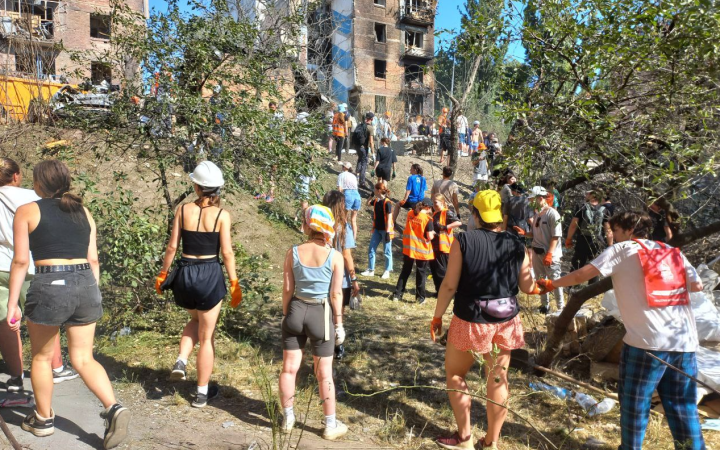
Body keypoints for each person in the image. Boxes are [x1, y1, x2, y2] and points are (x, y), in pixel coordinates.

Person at [537, 211, 706, 450]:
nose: (612, 236)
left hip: (646, 344)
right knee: (683, 406)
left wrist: (552, 283)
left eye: (614, 231)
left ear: (628, 230)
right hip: (684, 342)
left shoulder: (623, 250)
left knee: (635, 403)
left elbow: (582, 274)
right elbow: (696, 285)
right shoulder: (671, 251)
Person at [6, 160, 129, 448]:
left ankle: (43, 419)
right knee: (84, 358)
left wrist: (14, 304)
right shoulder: (83, 211)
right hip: (86, 282)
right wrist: (90, 290)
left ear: (38, 184)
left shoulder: (27, 211)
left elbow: (22, 260)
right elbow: (94, 259)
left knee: (41, 357)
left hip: (50, 283)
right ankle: (114, 407)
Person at [431, 190, 541, 450]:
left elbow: (449, 285)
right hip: (506, 321)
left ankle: (465, 438)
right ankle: (492, 442)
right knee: (498, 379)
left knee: (455, 374)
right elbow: (528, 287)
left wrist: (437, 317)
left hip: (471, 319)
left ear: (475, 214)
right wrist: (542, 283)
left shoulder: (464, 240)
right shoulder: (517, 244)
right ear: (500, 216)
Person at [156, 161, 242, 407]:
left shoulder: (182, 211)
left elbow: (172, 246)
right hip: (209, 275)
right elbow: (227, 253)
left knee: (194, 320)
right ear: (217, 189)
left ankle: (181, 359)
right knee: (207, 337)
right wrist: (234, 283)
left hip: (184, 273)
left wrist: (163, 274)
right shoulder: (222, 215)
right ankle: (201, 394)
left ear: (197, 186)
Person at [0, 158, 80, 395]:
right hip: (32, 265)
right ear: (16, 176)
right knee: (45, 317)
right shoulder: (30, 197)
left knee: (6, 321)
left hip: (0, 267)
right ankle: (55, 367)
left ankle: (15, 376)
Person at [279, 205, 348, 440]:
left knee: (289, 368)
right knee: (324, 373)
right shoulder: (335, 256)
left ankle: (287, 418)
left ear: (309, 225)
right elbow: (336, 295)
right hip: (322, 313)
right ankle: (330, 425)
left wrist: (286, 314)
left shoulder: (293, 252)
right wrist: (338, 325)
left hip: (296, 310)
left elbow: (288, 289)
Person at [322, 191, 360, 360]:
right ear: (340, 205)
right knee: (338, 311)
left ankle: (324, 340)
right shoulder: (343, 227)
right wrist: (354, 279)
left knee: (323, 310)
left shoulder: (319, 226)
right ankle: (338, 344)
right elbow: (347, 256)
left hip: (322, 275)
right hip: (340, 279)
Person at [514, 186, 564, 314]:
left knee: (555, 280)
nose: (530, 202)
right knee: (541, 279)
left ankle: (561, 308)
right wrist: (525, 233)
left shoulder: (552, 214)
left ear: (540, 198)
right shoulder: (537, 214)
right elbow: (536, 233)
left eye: (532, 199)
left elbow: (556, 236)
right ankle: (544, 306)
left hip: (550, 254)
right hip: (537, 252)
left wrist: (550, 254)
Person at [565, 190, 612, 284]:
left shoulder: (581, 207)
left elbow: (574, 225)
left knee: (578, 263)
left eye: (587, 194)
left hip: (583, 239)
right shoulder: (604, 209)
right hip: (597, 241)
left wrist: (569, 238)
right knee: (595, 266)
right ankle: (593, 289)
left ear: (592, 195)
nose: (585, 195)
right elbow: (608, 229)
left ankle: (572, 285)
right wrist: (610, 245)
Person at [393, 201, 435, 304]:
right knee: (421, 273)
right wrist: (434, 233)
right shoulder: (428, 220)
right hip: (421, 250)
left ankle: (397, 295)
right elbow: (430, 236)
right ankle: (420, 298)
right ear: (428, 207)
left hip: (409, 248)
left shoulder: (410, 214)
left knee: (405, 271)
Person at [429, 194, 461, 296]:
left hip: (444, 247)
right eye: (433, 202)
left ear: (442, 202)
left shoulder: (447, 212)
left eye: (435, 202)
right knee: (434, 270)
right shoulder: (435, 214)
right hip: (434, 245)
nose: (433, 205)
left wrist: (445, 226)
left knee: (441, 270)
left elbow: (458, 222)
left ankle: (446, 293)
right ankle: (439, 291)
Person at [361, 183, 394, 279]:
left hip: (385, 230)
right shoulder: (376, 201)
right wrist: (371, 195)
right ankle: (371, 270)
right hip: (377, 230)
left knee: (387, 251)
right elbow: (367, 203)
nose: (373, 190)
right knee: (371, 248)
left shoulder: (387, 203)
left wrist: (388, 232)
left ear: (379, 190)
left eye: (374, 189)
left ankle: (387, 270)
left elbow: (389, 218)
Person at [337, 162, 360, 240]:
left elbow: (340, 189)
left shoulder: (341, 175)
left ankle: (344, 237)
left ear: (344, 167)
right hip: (357, 195)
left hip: (348, 194)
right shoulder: (353, 176)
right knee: (353, 219)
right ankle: (354, 239)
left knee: (344, 217)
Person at [351, 112, 374, 190]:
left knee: (360, 159)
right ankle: (362, 182)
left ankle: (356, 177)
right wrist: (373, 152)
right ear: (372, 119)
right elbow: (371, 141)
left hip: (357, 146)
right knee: (364, 163)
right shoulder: (370, 128)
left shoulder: (360, 125)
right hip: (364, 147)